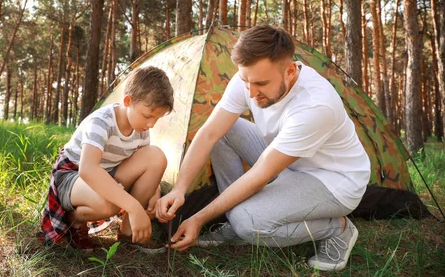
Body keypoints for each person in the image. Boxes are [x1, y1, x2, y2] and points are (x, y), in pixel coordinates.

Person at [156, 25, 370, 271]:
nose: (251, 92)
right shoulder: (248, 79)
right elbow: (209, 133)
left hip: (333, 181)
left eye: (261, 83)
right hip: (286, 161)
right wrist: (179, 189)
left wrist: (199, 218)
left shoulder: (315, 106)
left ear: (290, 71)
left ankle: (337, 228)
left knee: (247, 222)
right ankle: (234, 219)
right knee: (226, 131)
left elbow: (260, 176)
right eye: (245, 80)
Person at [40, 66, 173, 251]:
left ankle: (128, 233)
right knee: (110, 204)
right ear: (128, 101)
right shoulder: (102, 122)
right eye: (147, 116)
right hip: (74, 175)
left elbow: (144, 162)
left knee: (156, 156)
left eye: (157, 118)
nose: (151, 124)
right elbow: (88, 170)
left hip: (109, 174)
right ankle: (74, 221)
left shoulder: (141, 129)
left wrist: (154, 191)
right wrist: (134, 206)